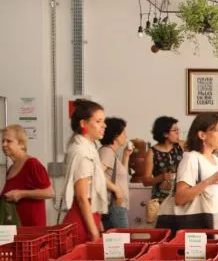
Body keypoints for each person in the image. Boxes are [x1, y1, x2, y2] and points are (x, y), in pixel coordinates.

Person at [61, 99, 112, 243]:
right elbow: (82, 197)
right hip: (81, 222)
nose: (104, 125)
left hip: (89, 216)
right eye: (98, 121)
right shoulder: (82, 152)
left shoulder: (89, 148)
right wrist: (94, 232)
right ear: (83, 124)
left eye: (103, 121)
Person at [174, 113, 218, 229]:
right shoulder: (191, 158)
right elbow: (180, 198)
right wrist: (212, 180)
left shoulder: (215, 160)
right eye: (217, 130)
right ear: (202, 135)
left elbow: (210, 194)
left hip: (217, 226)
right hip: (199, 230)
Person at [0, 125, 54, 226]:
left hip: (32, 230)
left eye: (9, 141)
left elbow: (49, 192)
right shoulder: (11, 168)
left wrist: (21, 194)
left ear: (21, 144)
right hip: (17, 228)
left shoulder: (32, 164)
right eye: (3, 141)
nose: (4, 144)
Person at [99, 117, 133, 229]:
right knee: (122, 242)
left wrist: (126, 156)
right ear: (115, 135)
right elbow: (98, 174)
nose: (126, 136)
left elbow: (120, 175)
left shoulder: (112, 153)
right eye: (123, 133)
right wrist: (116, 189)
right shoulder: (107, 152)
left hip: (118, 206)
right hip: (115, 206)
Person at [143, 116, 184, 204]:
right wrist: (160, 178)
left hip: (180, 198)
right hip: (160, 200)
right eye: (175, 130)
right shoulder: (151, 152)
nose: (178, 132)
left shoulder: (181, 145)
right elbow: (145, 181)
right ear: (165, 134)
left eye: (178, 130)